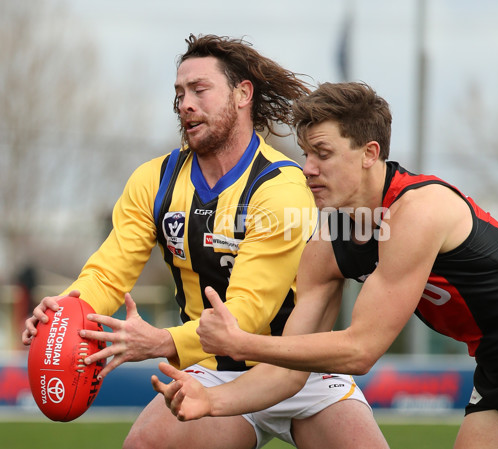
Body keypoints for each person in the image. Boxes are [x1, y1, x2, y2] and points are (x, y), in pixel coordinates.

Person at [153, 82, 498, 449]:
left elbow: (360, 350)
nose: (307, 168)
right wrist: (211, 400)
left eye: (323, 154)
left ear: (369, 153)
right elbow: (287, 374)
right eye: (305, 153)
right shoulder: (326, 246)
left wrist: (242, 342)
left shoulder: (418, 211)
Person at [22, 37, 388, 449]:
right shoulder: (154, 181)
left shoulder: (282, 187)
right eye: (179, 93)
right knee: (143, 444)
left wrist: (164, 342)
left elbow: (248, 311)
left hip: (300, 367)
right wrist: (67, 310)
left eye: (200, 90)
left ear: (243, 94)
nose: (185, 104)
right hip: (211, 367)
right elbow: (107, 274)